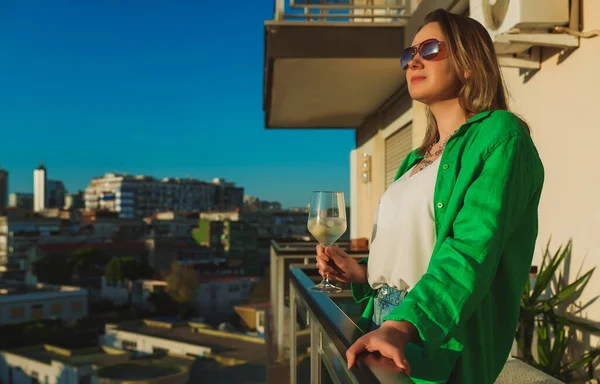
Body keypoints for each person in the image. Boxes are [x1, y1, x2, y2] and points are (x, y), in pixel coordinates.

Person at [315, 8, 544, 384]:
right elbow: (412, 249)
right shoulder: (414, 159)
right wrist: (361, 273)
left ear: (470, 64)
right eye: (409, 54)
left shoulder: (501, 136)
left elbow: (470, 250)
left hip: (430, 331)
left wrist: (403, 324)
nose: (414, 60)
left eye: (432, 48)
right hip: (387, 318)